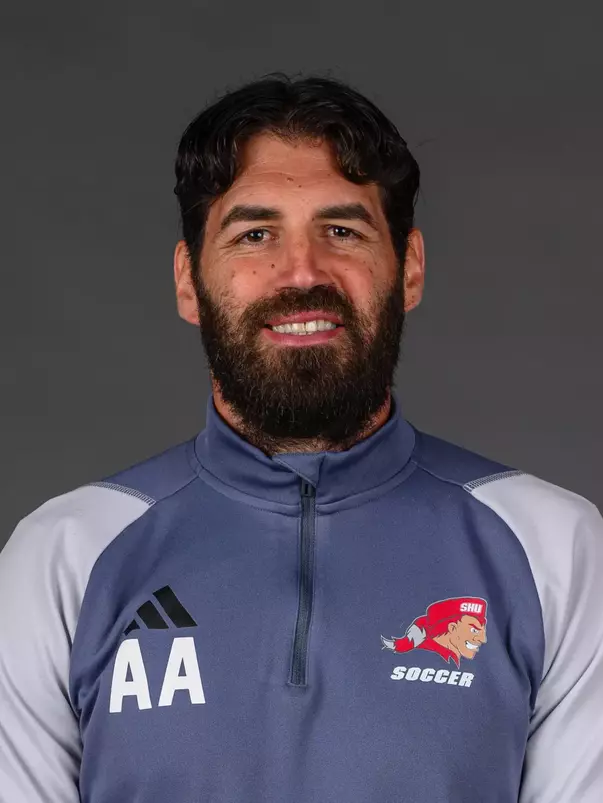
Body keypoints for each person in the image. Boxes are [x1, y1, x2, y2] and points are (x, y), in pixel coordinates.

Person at [0, 74, 601, 803]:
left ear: (408, 268)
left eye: (342, 231)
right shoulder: (64, 557)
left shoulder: (554, 550)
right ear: (189, 281)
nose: (302, 272)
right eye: (254, 235)